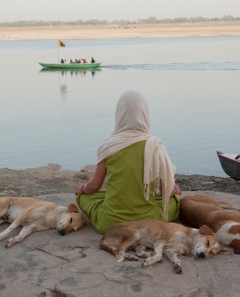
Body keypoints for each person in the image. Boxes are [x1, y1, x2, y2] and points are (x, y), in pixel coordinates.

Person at [75, 90, 181, 234]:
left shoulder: (109, 145)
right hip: (149, 223)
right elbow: (165, 192)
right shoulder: (155, 146)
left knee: (86, 196)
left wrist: (82, 189)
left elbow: (94, 186)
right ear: (145, 113)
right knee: (175, 199)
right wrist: (173, 190)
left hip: (109, 223)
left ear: (119, 113)